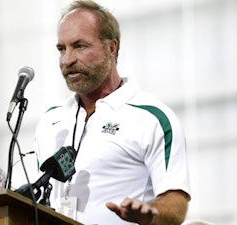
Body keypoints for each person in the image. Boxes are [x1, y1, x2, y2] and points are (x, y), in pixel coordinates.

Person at [33, 0, 191, 225]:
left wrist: (149, 213)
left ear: (112, 47)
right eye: (62, 49)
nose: (67, 60)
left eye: (80, 46)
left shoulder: (152, 118)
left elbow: (175, 204)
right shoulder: (50, 121)